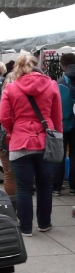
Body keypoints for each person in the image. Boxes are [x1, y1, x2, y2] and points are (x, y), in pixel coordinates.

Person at [0, 54, 62, 237]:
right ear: (37, 66)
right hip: (46, 140)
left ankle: (25, 227)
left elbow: (3, 117)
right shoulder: (51, 85)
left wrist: (14, 128)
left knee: (24, 188)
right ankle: (44, 223)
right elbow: (56, 115)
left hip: (21, 141)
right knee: (45, 185)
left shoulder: (11, 88)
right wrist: (57, 135)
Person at [52, 53, 75, 196]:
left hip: (62, 124)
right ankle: (74, 187)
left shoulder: (59, 82)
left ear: (63, 66)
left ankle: (56, 188)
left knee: (59, 156)